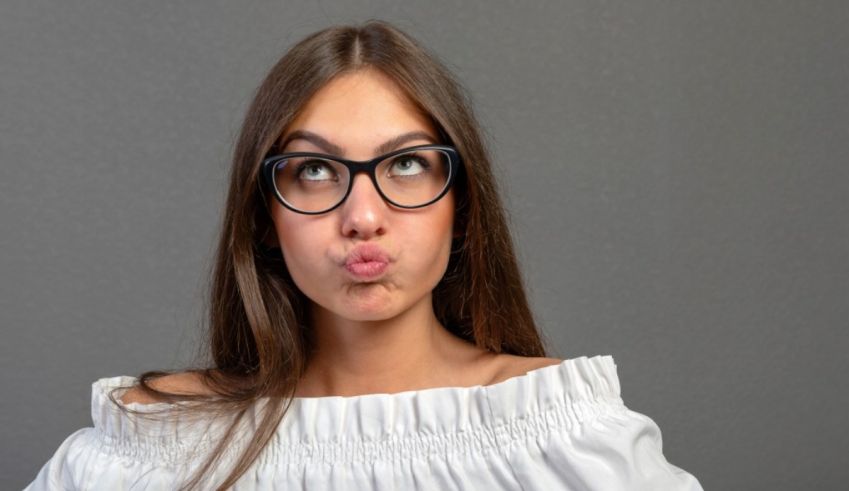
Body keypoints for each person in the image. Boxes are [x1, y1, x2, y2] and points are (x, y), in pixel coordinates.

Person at [24, 19, 703, 491]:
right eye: (315, 171)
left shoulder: (561, 435)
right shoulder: (154, 444)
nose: (363, 218)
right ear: (264, 214)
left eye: (406, 163)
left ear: (461, 203)